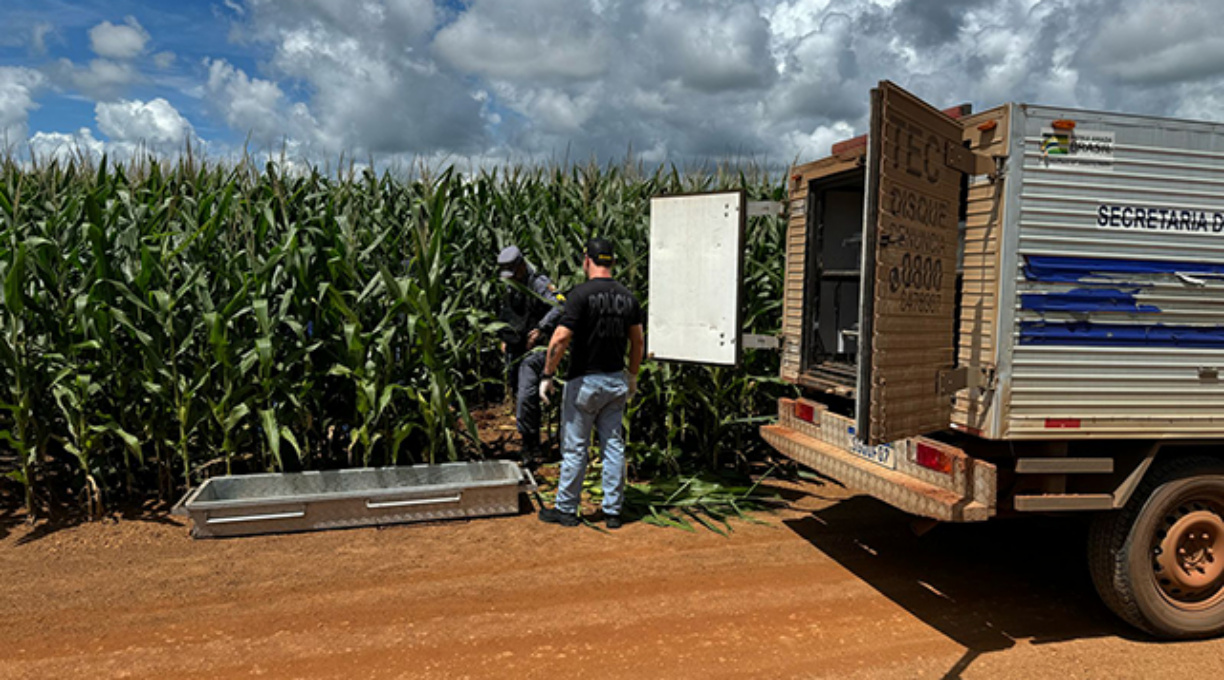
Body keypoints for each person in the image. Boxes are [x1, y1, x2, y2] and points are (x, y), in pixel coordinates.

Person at [537, 237, 643, 529]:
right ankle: (612, 512)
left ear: (587, 261)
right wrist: (632, 376)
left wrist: (547, 374)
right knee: (613, 446)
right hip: (615, 382)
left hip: (584, 383)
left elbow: (560, 338)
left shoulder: (580, 295)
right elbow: (638, 341)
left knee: (575, 449)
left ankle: (567, 509)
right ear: (612, 262)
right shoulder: (628, 298)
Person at [497, 245, 564, 464]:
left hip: (534, 351)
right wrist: (503, 337)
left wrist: (542, 329)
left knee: (526, 395)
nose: (512, 278)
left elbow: (560, 305)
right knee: (521, 396)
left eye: (514, 272)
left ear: (522, 266)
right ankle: (531, 439)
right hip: (515, 348)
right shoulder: (509, 285)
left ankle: (530, 447)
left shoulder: (539, 284)